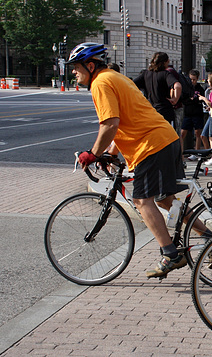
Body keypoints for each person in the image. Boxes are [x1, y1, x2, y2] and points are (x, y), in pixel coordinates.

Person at [68, 43, 188, 279]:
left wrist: (92, 154)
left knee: (142, 201)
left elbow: (110, 124)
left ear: (90, 65)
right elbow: (123, 121)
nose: (73, 72)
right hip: (164, 139)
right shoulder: (114, 77)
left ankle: (171, 254)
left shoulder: (100, 83)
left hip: (151, 145)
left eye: (76, 67)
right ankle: (209, 237)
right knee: (164, 200)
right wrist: (111, 152)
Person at [133, 52, 181, 126]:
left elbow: (131, 84)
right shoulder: (166, 74)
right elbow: (177, 86)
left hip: (150, 110)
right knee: (168, 135)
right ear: (165, 62)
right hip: (165, 111)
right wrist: (175, 99)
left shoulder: (145, 74)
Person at [181, 69, 207, 156]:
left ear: (197, 79)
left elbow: (201, 100)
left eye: (194, 79)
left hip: (197, 113)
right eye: (191, 79)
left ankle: (196, 151)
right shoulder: (186, 88)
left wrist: (194, 100)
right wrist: (192, 100)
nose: (192, 81)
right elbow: (184, 100)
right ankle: (181, 151)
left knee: (197, 133)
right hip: (188, 113)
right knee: (182, 132)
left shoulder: (200, 89)